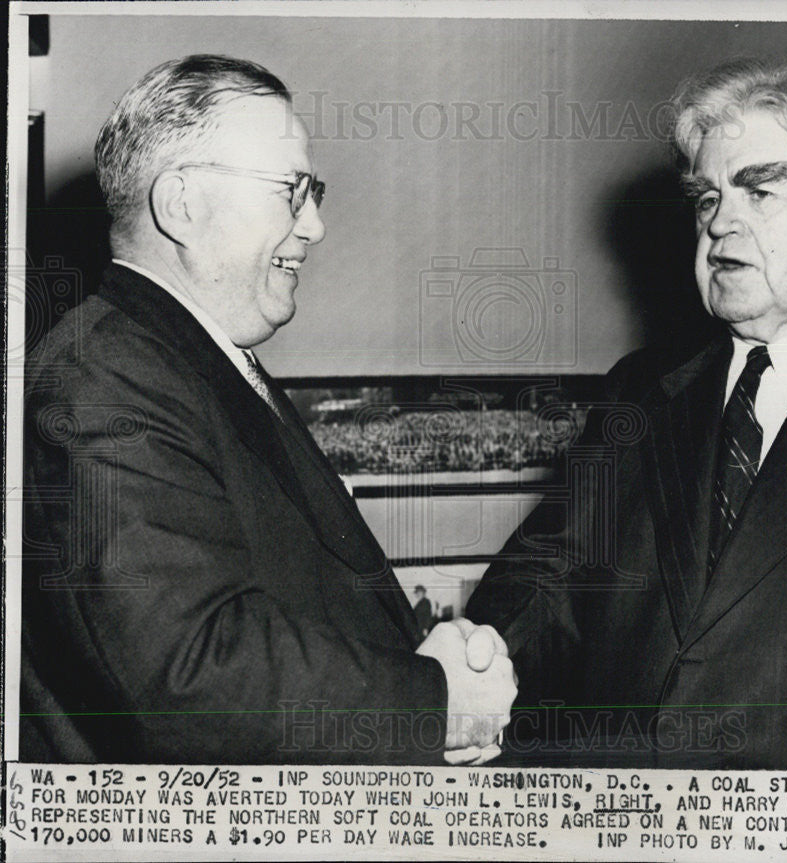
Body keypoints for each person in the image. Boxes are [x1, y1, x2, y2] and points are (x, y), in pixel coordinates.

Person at [467, 58, 787, 771]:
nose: (720, 224)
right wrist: (466, 670)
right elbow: (545, 580)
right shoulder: (641, 392)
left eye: (760, 190)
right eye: (707, 197)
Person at [20, 55, 515, 765]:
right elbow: (187, 675)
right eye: (292, 191)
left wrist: (435, 664)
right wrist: (431, 700)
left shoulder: (189, 357)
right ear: (182, 204)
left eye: (313, 192)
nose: (314, 226)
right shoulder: (100, 377)